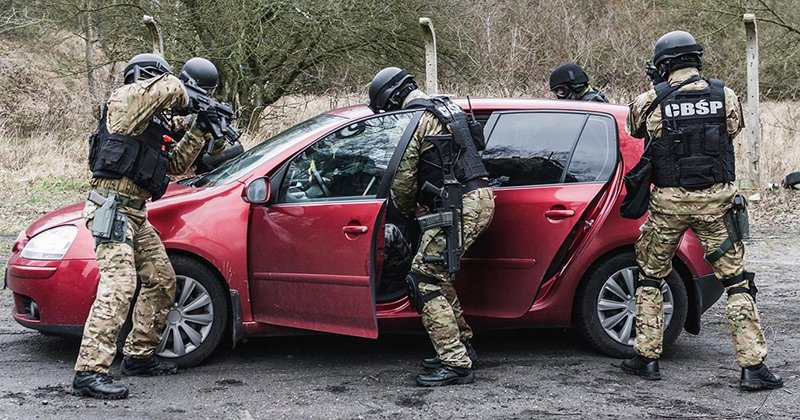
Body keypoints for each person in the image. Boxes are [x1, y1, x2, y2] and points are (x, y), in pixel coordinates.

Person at [621, 31, 783, 391]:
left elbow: (634, 130)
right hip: (715, 206)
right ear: (696, 59)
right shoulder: (724, 94)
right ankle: (753, 367)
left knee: (650, 277)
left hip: (669, 206)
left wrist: (656, 88)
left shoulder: (650, 100)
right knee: (736, 281)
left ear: (663, 65)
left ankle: (646, 359)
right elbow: (733, 127)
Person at [72, 53, 213, 399]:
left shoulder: (151, 124)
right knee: (120, 284)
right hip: (111, 209)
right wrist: (195, 94)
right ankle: (89, 372)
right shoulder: (123, 100)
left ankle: (138, 355)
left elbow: (176, 165)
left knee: (162, 280)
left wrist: (202, 127)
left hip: (135, 212)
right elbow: (169, 89)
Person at [367, 67, 495, 386]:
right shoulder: (444, 106)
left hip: (461, 202)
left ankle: (454, 362)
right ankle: (462, 342)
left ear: (393, 98)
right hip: (476, 196)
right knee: (436, 271)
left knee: (421, 276)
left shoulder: (415, 118)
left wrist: (403, 213)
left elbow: (404, 178)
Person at [174, 57, 243, 177]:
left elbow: (212, 150)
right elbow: (168, 123)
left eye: (210, 91)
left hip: (193, 165)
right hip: (170, 166)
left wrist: (218, 140)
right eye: (204, 90)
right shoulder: (170, 100)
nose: (208, 95)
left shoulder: (205, 105)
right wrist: (191, 121)